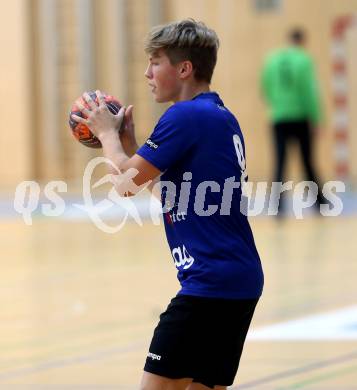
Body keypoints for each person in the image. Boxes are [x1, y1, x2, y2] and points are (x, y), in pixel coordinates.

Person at [72, 19, 264, 390]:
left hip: (208, 284)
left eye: (155, 62)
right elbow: (172, 195)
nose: (147, 73)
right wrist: (128, 150)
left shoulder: (184, 115)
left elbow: (125, 184)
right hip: (239, 280)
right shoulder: (221, 117)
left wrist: (107, 134)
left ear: (184, 68)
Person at [261, 28, 324, 216]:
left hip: (278, 116)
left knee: (280, 160)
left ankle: (277, 205)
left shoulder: (272, 60)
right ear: (302, 41)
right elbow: (309, 91)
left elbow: (264, 86)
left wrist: (277, 104)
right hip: (300, 116)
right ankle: (319, 202)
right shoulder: (304, 59)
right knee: (307, 160)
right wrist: (316, 117)